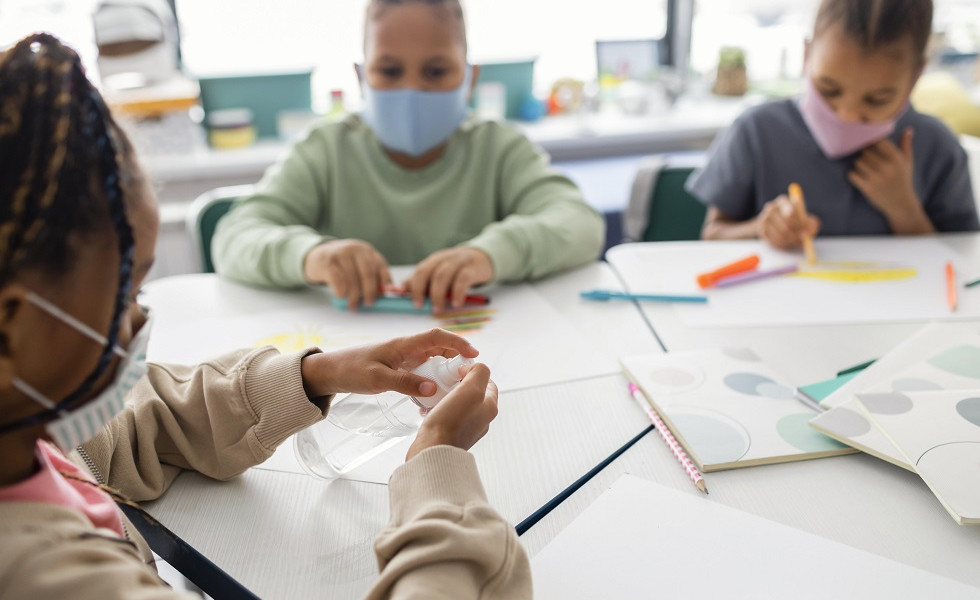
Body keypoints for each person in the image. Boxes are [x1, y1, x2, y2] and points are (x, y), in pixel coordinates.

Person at [0, 34, 531, 599]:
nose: (137, 323)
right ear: (12, 323)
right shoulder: (50, 577)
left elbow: (139, 426)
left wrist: (315, 374)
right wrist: (439, 478)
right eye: (123, 293)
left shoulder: (33, 438)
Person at [211, 0, 604, 314]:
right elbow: (234, 236)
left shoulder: (500, 148)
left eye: (435, 71)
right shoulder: (325, 150)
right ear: (361, 77)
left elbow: (580, 223)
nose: (412, 89)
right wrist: (311, 255)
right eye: (390, 69)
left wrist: (490, 254)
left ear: (470, 79)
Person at [689, 0, 979, 250]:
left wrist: (905, 210)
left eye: (877, 99)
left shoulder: (939, 148)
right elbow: (712, 235)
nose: (847, 116)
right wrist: (759, 228)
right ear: (806, 55)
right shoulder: (756, 130)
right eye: (829, 90)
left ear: (915, 78)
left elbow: (964, 262)